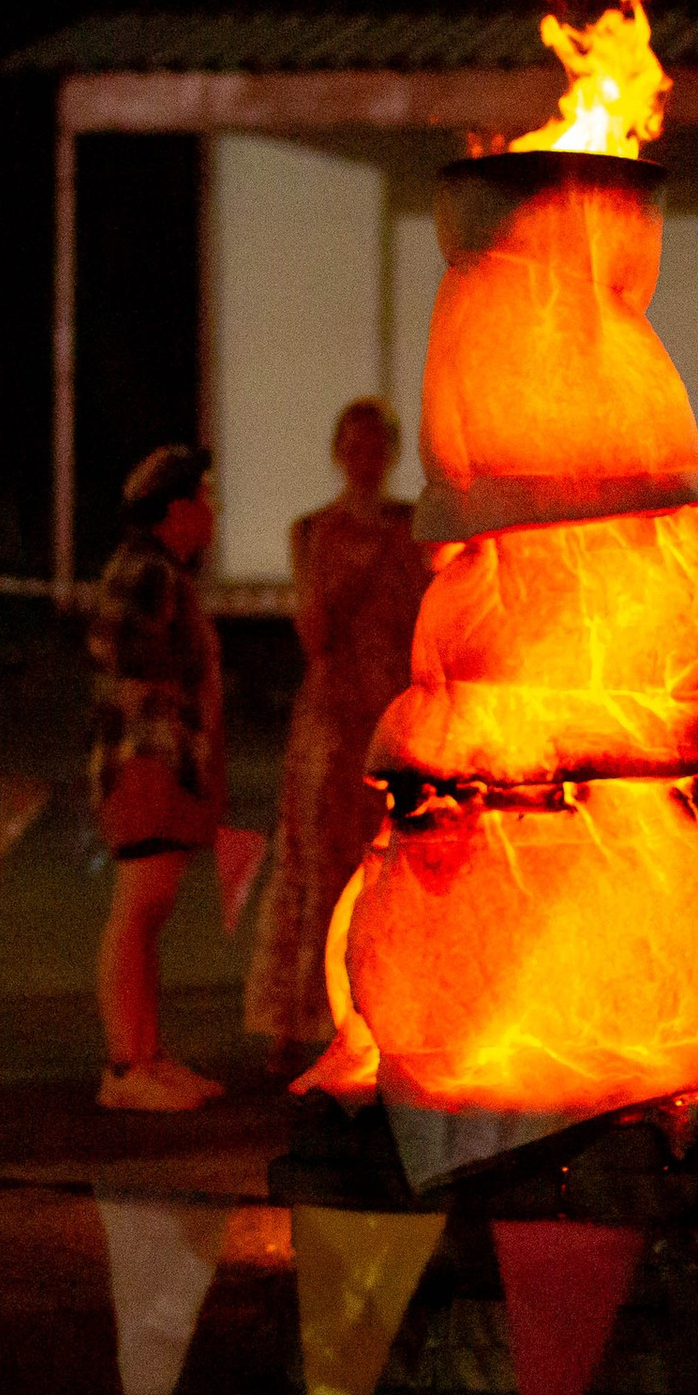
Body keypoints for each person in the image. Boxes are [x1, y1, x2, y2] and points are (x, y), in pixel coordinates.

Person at [246, 398, 428, 1071]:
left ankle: (382, 1013)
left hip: (390, 718)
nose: (365, 457)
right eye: (354, 444)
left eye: (376, 444)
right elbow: (313, 634)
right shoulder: (312, 533)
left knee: (387, 869)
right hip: (330, 720)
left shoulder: (411, 531)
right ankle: (295, 1018)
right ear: (337, 452)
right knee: (315, 866)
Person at [86, 444, 227, 1112]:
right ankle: (125, 1064)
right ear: (178, 509)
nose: (213, 513)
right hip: (148, 762)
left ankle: (147, 1052)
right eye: (205, 499)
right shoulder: (147, 572)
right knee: (137, 909)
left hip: (164, 760)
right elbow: (133, 668)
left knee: (150, 910)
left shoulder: (160, 571)